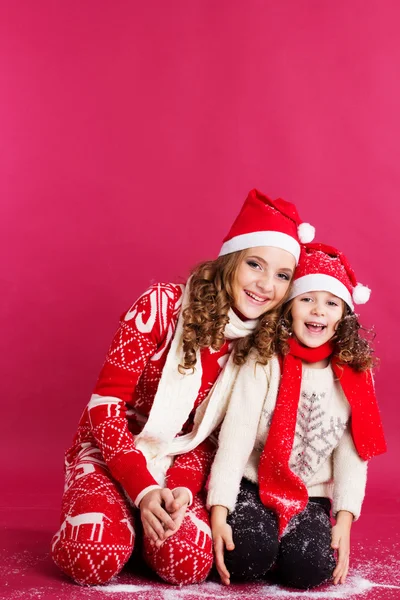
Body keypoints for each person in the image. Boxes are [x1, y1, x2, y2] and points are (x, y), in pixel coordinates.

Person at [51, 189, 315, 586]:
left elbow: (207, 440)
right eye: (255, 264)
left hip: (178, 464)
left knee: (187, 563)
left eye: (282, 275)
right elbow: (104, 408)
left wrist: (178, 494)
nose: (265, 285)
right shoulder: (159, 306)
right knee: (93, 556)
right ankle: (118, 516)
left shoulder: (258, 346)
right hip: (112, 451)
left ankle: (139, 530)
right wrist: (142, 490)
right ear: (230, 261)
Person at [208, 243, 387, 590]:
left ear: (344, 316)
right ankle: (266, 543)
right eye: (307, 299)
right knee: (246, 556)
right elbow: (237, 437)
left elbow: (353, 454)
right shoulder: (264, 360)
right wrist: (220, 509)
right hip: (253, 484)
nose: (318, 310)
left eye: (331, 303)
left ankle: (287, 546)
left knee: (310, 569)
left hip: (311, 494)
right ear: (289, 307)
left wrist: (344, 521)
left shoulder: (353, 376)